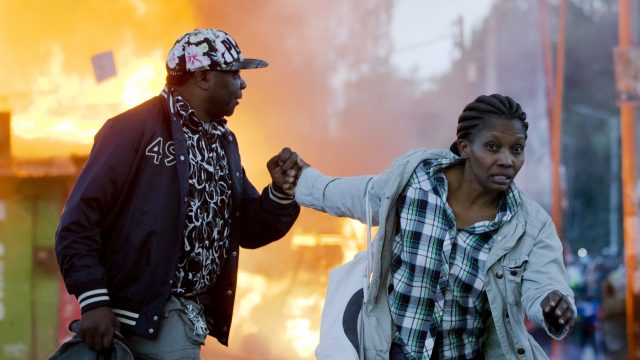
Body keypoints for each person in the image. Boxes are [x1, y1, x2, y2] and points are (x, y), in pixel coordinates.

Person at [55, 28, 300, 359]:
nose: (243, 85)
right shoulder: (131, 129)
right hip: (137, 317)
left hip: (181, 318)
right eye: (234, 73)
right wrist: (94, 300)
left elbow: (248, 229)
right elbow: (78, 222)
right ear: (202, 77)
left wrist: (280, 193)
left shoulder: (223, 142)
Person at [290, 94, 576, 359]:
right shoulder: (415, 183)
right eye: (492, 147)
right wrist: (300, 180)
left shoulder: (531, 226)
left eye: (517, 150)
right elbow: (353, 195)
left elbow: (545, 285)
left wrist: (553, 307)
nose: (506, 160)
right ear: (465, 147)